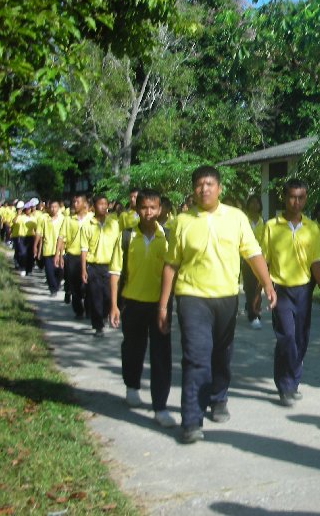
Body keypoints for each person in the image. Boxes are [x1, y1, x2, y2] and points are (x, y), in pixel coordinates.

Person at [159, 165, 276, 444]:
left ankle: (218, 397)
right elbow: (171, 264)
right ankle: (191, 420)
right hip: (191, 297)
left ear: (219, 188)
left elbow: (253, 253)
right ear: (193, 189)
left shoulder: (236, 218)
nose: (204, 189)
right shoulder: (182, 222)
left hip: (226, 297)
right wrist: (163, 305)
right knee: (196, 356)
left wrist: (268, 284)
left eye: (209, 184)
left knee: (222, 353)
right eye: (199, 185)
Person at [260, 180, 320, 407]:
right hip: (280, 289)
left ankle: (293, 381)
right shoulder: (271, 226)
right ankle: (285, 386)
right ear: (284, 197)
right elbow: (263, 261)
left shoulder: (311, 228)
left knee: (300, 338)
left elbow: (316, 262)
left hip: (303, 290)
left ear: (306, 198)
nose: (296, 202)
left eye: (301, 197)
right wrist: (260, 291)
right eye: (292, 197)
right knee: (287, 337)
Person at [108, 189, 175, 428]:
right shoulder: (126, 237)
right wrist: (114, 305)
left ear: (160, 210)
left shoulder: (168, 237)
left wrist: (168, 305)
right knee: (133, 348)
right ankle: (132, 386)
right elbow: (115, 272)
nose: (148, 212)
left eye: (153, 208)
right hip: (132, 302)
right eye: (144, 207)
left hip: (160, 305)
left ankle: (160, 407)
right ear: (137, 209)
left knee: (161, 355)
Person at [80, 195, 120, 337]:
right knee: (95, 296)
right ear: (94, 206)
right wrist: (83, 269)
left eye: (105, 204)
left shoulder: (114, 223)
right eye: (100, 204)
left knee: (109, 296)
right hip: (93, 266)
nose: (103, 206)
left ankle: (104, 315)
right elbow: (84, 248)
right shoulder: (87, 224)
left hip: (110, 266)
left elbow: (118, 245)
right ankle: (98, 326)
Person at [57, 193, 92, 317]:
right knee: (75, 285)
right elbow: (61, 237)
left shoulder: (91, 218)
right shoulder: (68, 220)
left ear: (84, 203)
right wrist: (58, 255)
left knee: (88, 285)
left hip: (88, 257)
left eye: (77, 202)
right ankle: (78, 310)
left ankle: (89, 308)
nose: (74, 204)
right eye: (73, 202)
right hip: (73, 256)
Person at [243, 194, 265, 329]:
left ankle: (255, 311)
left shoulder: (264, 223)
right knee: (249, 287)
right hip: (246, 259)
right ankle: (253, 314)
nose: (254, 205)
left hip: (260, 259)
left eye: (257, 202)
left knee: (258, 286)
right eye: (252, 202)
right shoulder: (243, 221)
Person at [34, 199, 65, 296]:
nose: (53, 209)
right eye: (51, 207)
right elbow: (39, 233)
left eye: (55, 207)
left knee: (60, 271)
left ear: (58, 208)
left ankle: (57, 284)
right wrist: (35, 246)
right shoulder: (44, 218)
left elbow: (64, 237)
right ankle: (53, 289)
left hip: (60, 250)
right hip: (47, 249)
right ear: (48, 208)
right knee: (49, 271)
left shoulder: (63, 219)